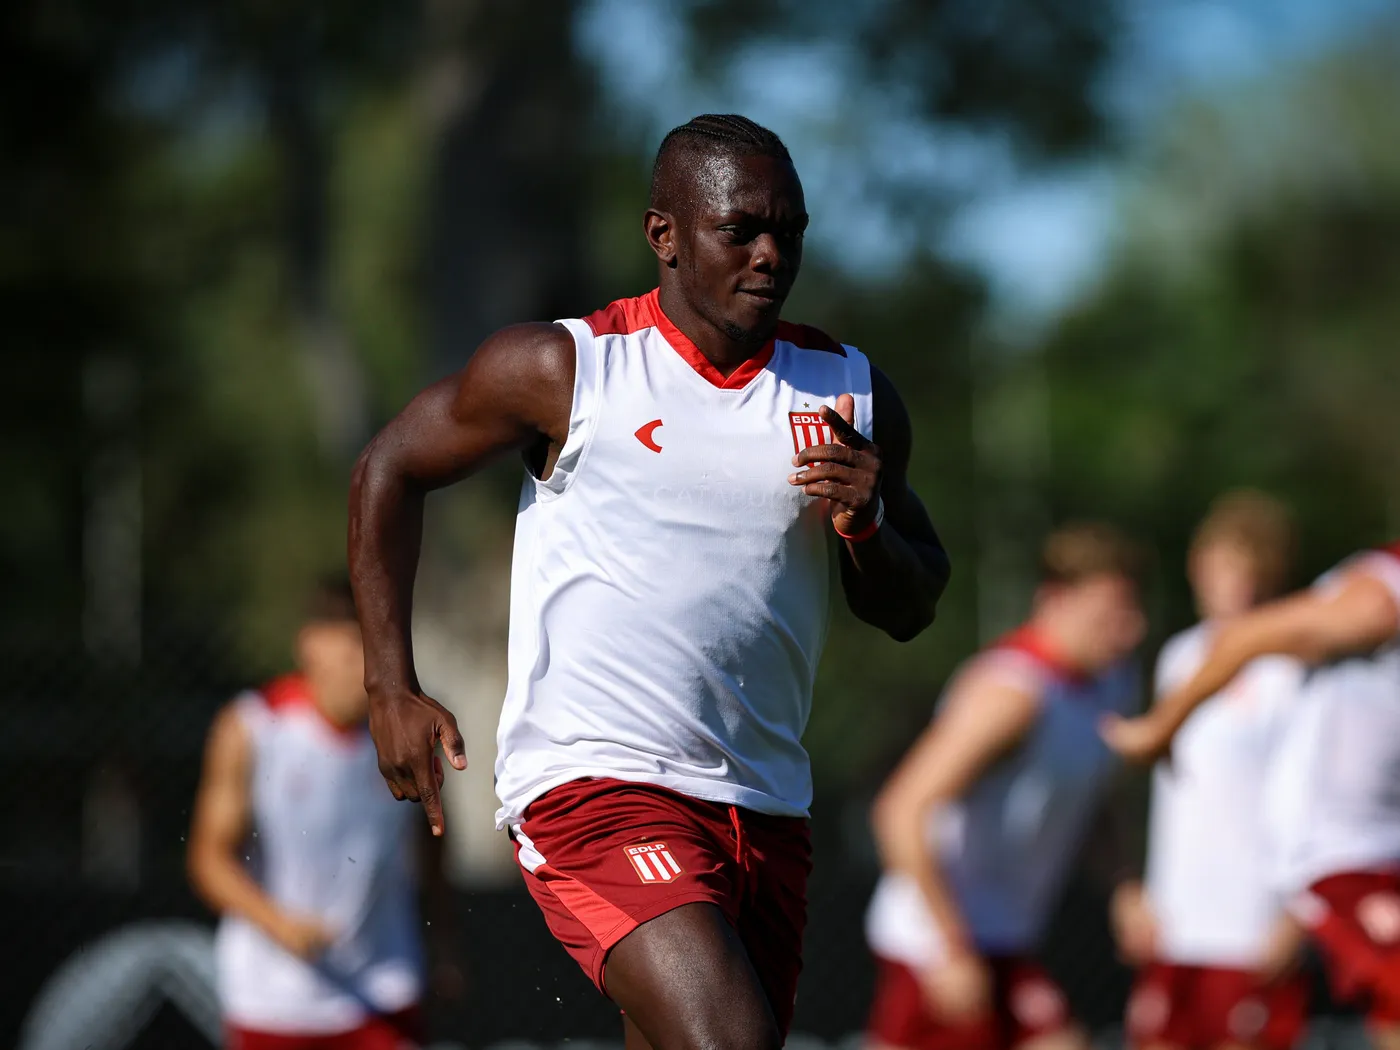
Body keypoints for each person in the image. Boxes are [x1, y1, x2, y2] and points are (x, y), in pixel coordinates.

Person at [348, 113, 950, 1050]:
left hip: (763, 804)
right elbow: (390, 467)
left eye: (788, 231)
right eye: (739, 228)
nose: (769, 254)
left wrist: (866, 523)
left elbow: (910, 607)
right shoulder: (567, 368)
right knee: (729, 1041)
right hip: (596, 782)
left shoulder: (848, 389)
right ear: (662, 234)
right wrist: (389, 684)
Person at [1104, 538, 1400, 1050]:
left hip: (1374, 850)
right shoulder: (1379, 596)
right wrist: (1162, 727)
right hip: (1339, 854)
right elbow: (1245, 636)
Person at [863, 523, 1145, 1050]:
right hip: (937, 947)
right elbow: (900, 810)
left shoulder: (1109, 686)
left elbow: (1095, 796)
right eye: (1111, 612)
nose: (1130, 630)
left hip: (1003, 940)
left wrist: (1125, 887)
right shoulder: (1011, 692)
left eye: (1132, 611)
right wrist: (950, 946)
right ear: (1055, 600)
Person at [188, 579, 457, 1050]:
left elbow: (432, 843)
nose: (374, 668)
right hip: (274, 1001)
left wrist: (444, 940)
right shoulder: (253, 727)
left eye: (383, 650)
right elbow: (209, 861)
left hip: (383, 989)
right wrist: (282, 926)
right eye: (358, 647)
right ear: (312, 645)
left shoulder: (408, 735)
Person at [1115, 492, 1309, 1050]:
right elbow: (1159, 786)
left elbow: (1306, 796)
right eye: (1222, 565)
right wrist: (1134, 888)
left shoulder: (1288, 668)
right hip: (1176, 926)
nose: (1234, 583)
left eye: (1251, 569)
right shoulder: (1178, 656)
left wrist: (1294, 916)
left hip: (1251, 927)